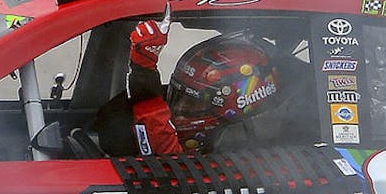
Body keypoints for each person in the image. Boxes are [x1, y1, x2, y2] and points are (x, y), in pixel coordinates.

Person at [93, 19, 282, 156]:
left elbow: (168, 164)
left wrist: (143, 70)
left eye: (192, 104)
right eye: (178, 97)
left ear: (233, 108)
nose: (179, 111)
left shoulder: (244, 160)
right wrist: (144, 70)